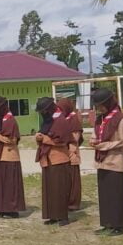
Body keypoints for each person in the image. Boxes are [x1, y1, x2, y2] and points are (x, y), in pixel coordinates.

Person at [90, 88, 123, 236]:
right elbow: (95, 134)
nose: (100, 108)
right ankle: (107, 223)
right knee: (105, 195)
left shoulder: (119, 119)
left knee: (116, 195)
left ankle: (118, 225)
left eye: (101, 105)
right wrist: (93, 141)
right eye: (97, 106)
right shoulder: (100, 119)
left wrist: (104, 145)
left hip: (116, 161)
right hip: (102, 161)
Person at [35, 97, 73, 226]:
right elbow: (44, 133)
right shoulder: (48, 120)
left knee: (59, 189)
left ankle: (63, 216)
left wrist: (45, 139)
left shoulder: (60, 121)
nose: (42, 113)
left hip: (59, 159)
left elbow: (62, 141)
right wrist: (38, 136)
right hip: (47, 159)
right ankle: (52, 215)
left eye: (44, 111)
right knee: (49, 189)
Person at [0, 96, 25, 218]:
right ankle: (2, 208)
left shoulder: (10, 120)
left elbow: (12, 140)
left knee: (10, 184)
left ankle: (12, 210)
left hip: (9, 156)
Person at [63, 99, 84, 212]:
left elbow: (75, 138)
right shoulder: (64, 119)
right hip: (64, 152)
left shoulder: (74, 120)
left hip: (72, 152)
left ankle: (74, 202)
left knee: (73, 179)